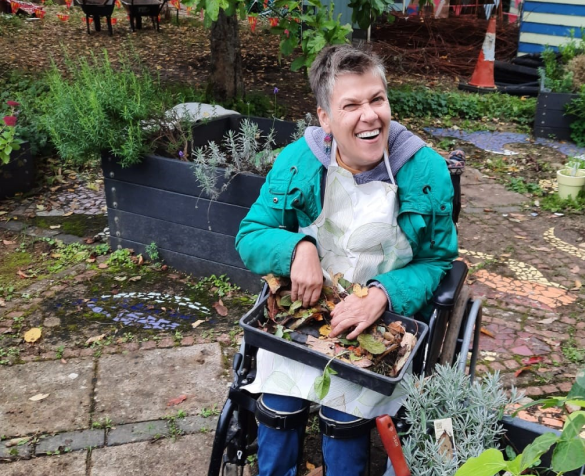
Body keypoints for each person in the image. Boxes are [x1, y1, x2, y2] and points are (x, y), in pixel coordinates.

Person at [235, 44, 458, 476]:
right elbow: (251, 234)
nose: (369, 116)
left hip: (380, 322)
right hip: (309, 310)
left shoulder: (425, 172)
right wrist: (296, 249)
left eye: (376, 99)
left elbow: (438, 262)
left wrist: (385, 294)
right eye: (350, 105)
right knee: (278, 406)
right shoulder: (299, 163)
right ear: (325, 119)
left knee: (344, 418)